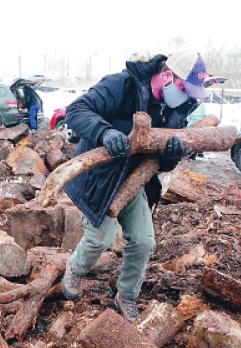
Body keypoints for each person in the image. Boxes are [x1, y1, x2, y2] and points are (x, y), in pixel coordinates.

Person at [61, 50, 214, 322]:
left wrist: (171, 155)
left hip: (132, 181)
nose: (187, 96)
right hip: (97, 176)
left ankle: (127, 295)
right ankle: (75, 268)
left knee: (144, 241)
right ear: (167, 75)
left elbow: (161, 164)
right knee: (101, 237)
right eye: (184, 87)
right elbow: (76, 110)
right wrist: (105, 132)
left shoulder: (176, 109)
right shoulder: (123, 85)